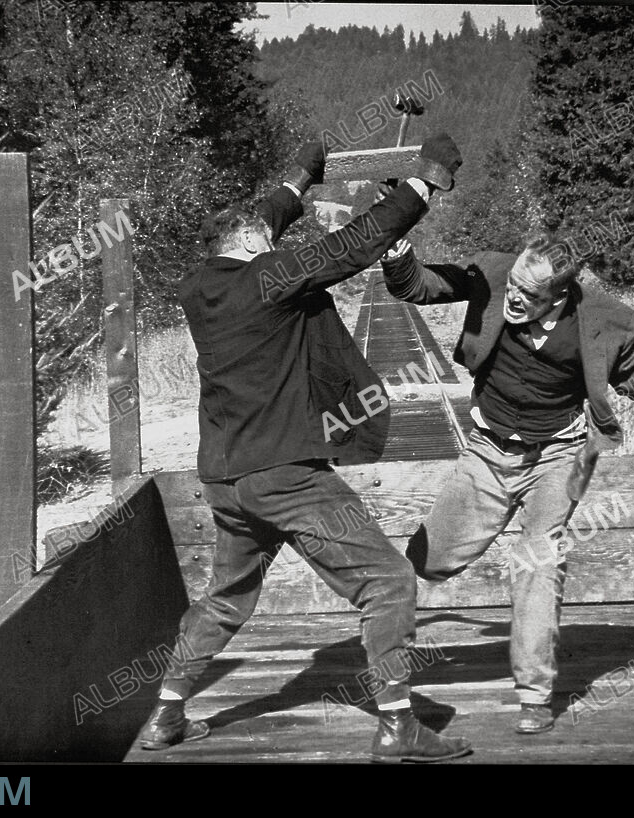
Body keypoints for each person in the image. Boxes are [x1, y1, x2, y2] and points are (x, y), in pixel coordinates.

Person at [138, 135, 473, 763]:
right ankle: (399, 725)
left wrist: (301, 177)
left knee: (225, 597)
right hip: (285, 475)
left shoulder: (199, 285)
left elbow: (258, 220)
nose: (275, 243)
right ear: (250, 248)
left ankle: (165, 715)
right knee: (389, 581)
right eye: (268, 240)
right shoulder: (269, 276)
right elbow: (352, 246)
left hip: (226, 479)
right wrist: (423, 184)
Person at [380, 229, 634, 734]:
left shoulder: (602, 323)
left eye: (527, 296)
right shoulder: (492, 274)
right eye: (512, 286)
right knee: (427, 561)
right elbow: (421, 286)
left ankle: (535, 695)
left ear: (558, 295)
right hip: (488, 451)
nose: (513, 298)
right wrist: (398, 251)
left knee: (535, 559)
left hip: (561, 454)